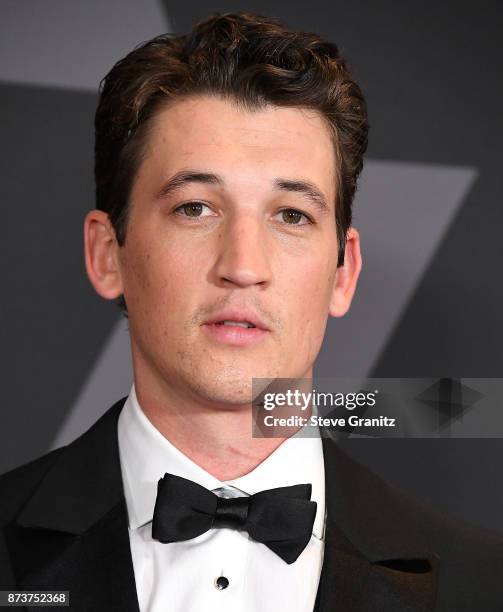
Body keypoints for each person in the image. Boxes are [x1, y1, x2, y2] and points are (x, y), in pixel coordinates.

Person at [1, 11, 502, 612]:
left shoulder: (483, 581)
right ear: (109, 254)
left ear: (343, 272)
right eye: (195, 208)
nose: (242, 264)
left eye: (291, 215)